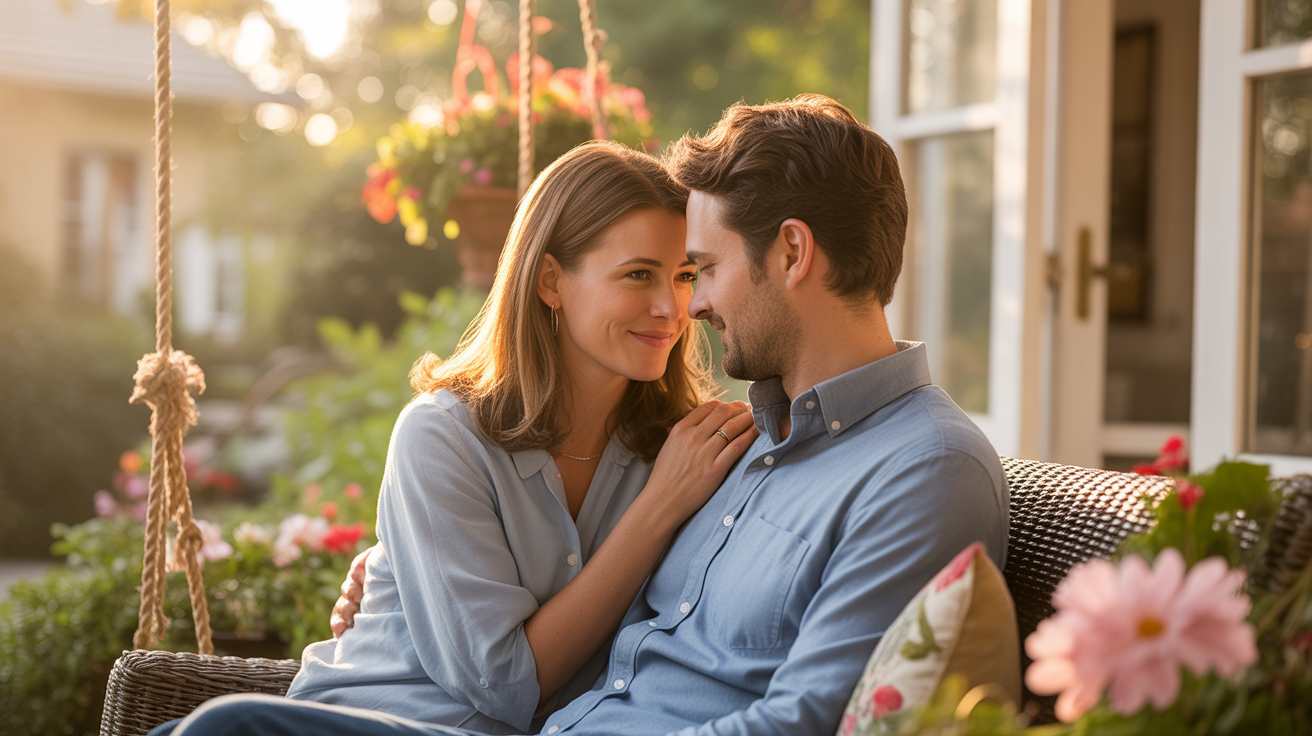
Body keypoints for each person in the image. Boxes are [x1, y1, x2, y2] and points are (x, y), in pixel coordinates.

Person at [160, 94, 1009, 736]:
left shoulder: (922, 467)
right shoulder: (738, 444)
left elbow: (800, 720)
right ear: (551, 282)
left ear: (791, 251)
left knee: (226, 730)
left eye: (697, 271)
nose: (690, 308)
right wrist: (392, 568)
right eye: (657, 274)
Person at [149, 141, 760, 736]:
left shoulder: (691, 454)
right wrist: (657, 511)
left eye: (684, 276)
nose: (671, 308)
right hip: (354, 718)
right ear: (550, 281)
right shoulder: (443, 435)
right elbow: (504, 680)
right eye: (638, 275)